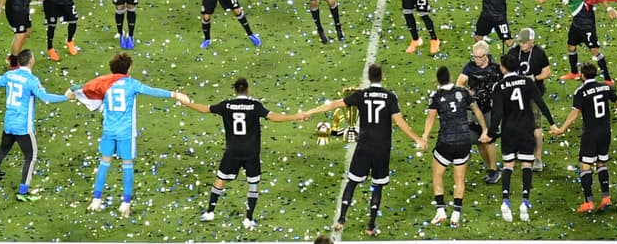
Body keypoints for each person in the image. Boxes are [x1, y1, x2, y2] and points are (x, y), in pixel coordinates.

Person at [302, 63, 426, 235]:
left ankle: (341, 220)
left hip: (364, 145)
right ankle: (370, 226)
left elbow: (334, 104)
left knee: (352, 182)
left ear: (369, 76)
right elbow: (400, 122)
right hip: (382, 147)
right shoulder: (389, 96)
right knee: (377, 185)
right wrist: (418, 139)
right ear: (381, 76)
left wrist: (311, 111)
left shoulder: (361, 95)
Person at [179, 76, 308, 228]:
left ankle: (210, 212)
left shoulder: (226, 105)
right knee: (253, 184)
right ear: (248, 89)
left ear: (235, 90)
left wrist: (187, 103)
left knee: (220, 179)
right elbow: (274, 118)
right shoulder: (255, 106)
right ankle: (248, 219)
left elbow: (205, 109)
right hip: (251, 151)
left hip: (232, 150)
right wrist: (296, 116)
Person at [81, 53, 189, 217]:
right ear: (128, 68)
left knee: (104, 163)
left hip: (109, 130)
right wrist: (175, 94)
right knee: (127, 164)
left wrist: (75, 93)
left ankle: (96, 200)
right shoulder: (132, 84)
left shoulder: (105, 83)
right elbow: (152, 91)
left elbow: (89, 90)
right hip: (125, 132)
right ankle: (125, 203)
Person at [0, 50, 76, 201]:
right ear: (31, 61)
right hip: (23, 127)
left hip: (9, 123)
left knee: (3, 149)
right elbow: (45, 97)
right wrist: (65, 98)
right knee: (31, 156)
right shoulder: (32, 80)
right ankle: (23, 192)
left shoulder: (10, 75)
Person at [550, 62, 617, 213]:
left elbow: (574, 114)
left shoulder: (580, 92)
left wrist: (561, 129)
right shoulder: (605, 87)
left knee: (585, 165)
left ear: (582, 75)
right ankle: (606, 197)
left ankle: (588, 202)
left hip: (590, 134)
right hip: (605, 132)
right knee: (601, 163)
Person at [537, 0, 617, 84]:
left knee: (595, 50)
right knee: (571, 46)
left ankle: (608, 78)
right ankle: (574, 72)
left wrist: (609, 8)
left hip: (587, 22)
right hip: (576, 21)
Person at [421, 65, 488, 228]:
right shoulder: (463, 92)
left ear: (438, 80)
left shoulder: (436, 96)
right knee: (459, 179)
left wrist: (425, 136)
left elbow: (431, 118)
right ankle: (456, 214)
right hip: (464, 141)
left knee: (437, 175)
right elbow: (476, 110)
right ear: (450, 77)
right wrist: (485, 129)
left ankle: (441, 210)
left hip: (446, 141)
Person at [487, 50, 542, 223]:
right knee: (527, 163)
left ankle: (505, 201)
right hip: (526, 128)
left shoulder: (498, 87)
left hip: (509, 129)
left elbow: (496, 115)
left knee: (508, 164)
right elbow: (540, 102)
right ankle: (525, 202)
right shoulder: (527, 82)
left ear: (503, 69)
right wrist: (553, 123)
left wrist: (490, 133)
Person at [505, 27, 557, 160]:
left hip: (534, 93)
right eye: (520, 42)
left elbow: (547, 72)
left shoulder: (539, 53)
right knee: (516, 123)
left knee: (535, 126)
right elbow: (505, 69)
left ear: (531, 41)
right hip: (516, 93)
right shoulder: (514, 52)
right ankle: (517, 150)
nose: (521, 44)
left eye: (524, 42)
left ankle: (538, 157)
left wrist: (533, 78)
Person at [456, 40, 502, 183]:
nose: (476, 59)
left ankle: (494, 170)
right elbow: (459, 83)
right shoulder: (469, 68)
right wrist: (467, 92)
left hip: (489, 109)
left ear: (486, 55)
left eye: (479, 57)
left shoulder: (495, 69)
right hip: (474, 110)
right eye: (475, 56)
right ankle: (490, 168)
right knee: (479, 141)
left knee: (488, 140)